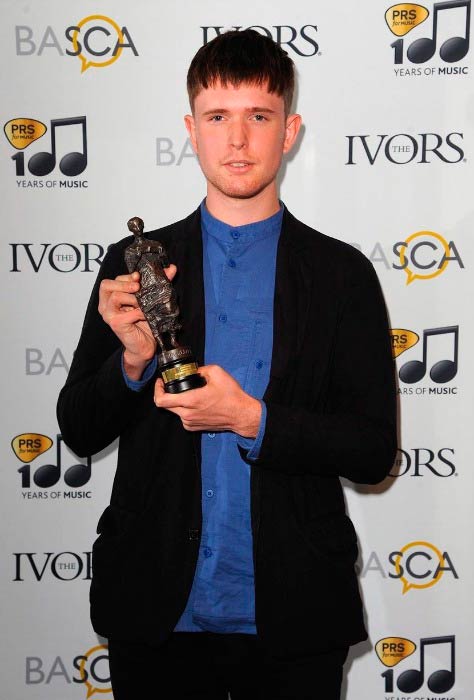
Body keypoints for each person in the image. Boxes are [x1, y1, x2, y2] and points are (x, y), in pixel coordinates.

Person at [57, 29, 397, 700]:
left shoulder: (342, 274)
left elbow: (371, 449)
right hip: (155, 616)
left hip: (294, 619)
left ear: (290, 130)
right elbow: (79, 427)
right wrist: (131, 360)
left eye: (258, 117)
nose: (237, 140)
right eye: (218, 117)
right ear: (191, 128)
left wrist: (253, 420)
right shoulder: (136, 264)